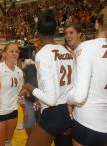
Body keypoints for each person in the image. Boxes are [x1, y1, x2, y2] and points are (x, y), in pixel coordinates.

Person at [20, 10, 74, 146]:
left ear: (37, 33)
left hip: (53, 112)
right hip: (70, 110)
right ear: (55, 30)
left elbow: (50, 99)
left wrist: (29, 87)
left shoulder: (43, 54)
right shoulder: (67, 50)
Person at [67, 7, 107, 146]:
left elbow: (79, 96)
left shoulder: (86, 47)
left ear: (97, 24)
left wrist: (68, 99)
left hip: (88, 122)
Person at [0, 42, 27, 146]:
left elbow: (20, 94)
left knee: (8, 143)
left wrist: (24, 110)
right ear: (4, 53)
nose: (14, 54)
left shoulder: (19, 72)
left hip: (13, 112)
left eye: (16, 51)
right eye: (11, 51)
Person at [54, 23, 83, 146]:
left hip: (81, 103)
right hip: (68, 103)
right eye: (66, 33)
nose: (68, 36)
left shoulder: (84, 51)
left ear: (79, 34)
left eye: (71, 33)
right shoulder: (67, 52)